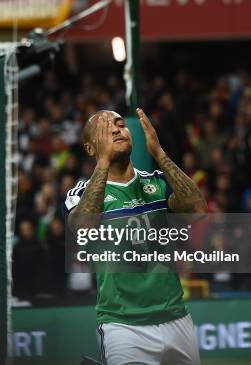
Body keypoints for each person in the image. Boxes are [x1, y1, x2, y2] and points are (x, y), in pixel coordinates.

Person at [65, 109, 206, 365]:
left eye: (120, 125)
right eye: (106, 130)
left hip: (177, 319)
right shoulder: (82, 193)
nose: (117, 130)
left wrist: (159, 154)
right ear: (89, 148)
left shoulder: (157, 183)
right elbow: (83, 228)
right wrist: (104, 163)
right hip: (124, 327)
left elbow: (197, 209)